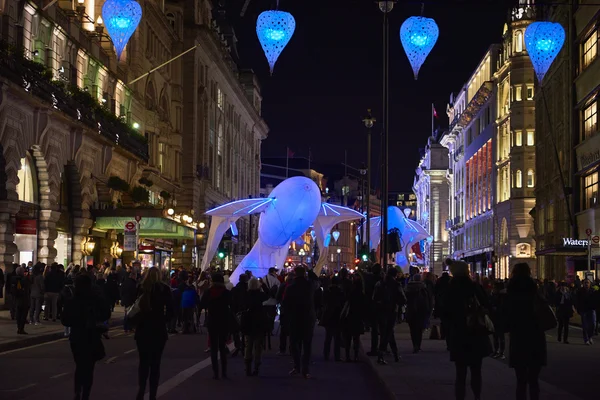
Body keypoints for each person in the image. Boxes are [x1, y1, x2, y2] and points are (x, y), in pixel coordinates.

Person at [443, 261, 492, 400]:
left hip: (459, 333)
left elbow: (445, 311)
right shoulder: (474, 287)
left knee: (460, 373)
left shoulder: (451, 288)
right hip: (476, 332)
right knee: (476, 371)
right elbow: (486, 304)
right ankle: (477, 396)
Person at [61, 273, 111, 400]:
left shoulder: (73, 300)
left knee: (79, 365)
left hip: (77, 337)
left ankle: (77, 391)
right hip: (91, 336)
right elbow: (106, 314)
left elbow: (65, 320)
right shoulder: (95, 299)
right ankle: (85, 395)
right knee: (89, 368)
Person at [505, 263, 547, 400]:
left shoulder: (511, 289)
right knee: (534, 379)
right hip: (535, 334)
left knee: (521, 379)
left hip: (519, 335)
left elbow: (506, 315)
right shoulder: (534, 288)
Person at [134, 267, 174, 400]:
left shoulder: (141, 288)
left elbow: (135, 307)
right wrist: (164, 320)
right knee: (155, 364)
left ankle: (141, 389)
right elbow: (171, 311)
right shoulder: (164, 289)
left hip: (143, 329)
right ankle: (152, 394)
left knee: (143, 362)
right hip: (158, 329)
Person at [283, 266, 318, 378]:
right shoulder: (310, 286)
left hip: (294, 318)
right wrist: (310, 271)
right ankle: (305, 369)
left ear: (294, 273)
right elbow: (316, 280)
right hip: (308, 318)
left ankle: (297, 366)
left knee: (294, 343)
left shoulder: (290, 287)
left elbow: (285, 304)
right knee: (307, 344)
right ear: (304, 273)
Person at [201, 272, 233, 379]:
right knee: (222, 347)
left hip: (212, 320)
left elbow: (202, 304)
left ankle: (215, 373)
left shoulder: (208, 292)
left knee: (214, 348)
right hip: (224, 321)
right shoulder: (226, 293)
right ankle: (224, 372)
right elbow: (233, 305)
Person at [373, 267, 406, 364]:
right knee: (387, 333)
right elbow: (403, 299)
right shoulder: (396, 284)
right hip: (391, 310)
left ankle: (394, 354)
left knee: (387, 332)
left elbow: (374, 297)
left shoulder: (380, 283)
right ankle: (382, 354)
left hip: (380, 311)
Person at [241, 278, 269, 376]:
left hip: (248, 322)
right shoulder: (260, 295)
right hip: (259, 322)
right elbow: (268, 295)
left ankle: (247, 366)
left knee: (248, 345)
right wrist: (263, 285)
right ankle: (256, 367)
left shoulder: (246, 294)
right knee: (258, 346)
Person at [320, 276, 345, 361]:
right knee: (337, 337)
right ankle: (337, 356)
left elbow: (323, 302)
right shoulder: (340, 292)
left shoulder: (327, 292)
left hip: (328, 315)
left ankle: (326, 355)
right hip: (337, 315)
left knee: (328, 337)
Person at [342, 274, 366, 362]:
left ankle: (347, 356)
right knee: (356, 338)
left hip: (349, 317)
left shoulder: (350, 293)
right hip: (358, 317)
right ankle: (356, 355)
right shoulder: (362, 295)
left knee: (348, 338)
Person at [405, 274, 431, 353]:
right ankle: (418, 345)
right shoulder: (423, 287)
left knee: (412, 329)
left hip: (410, 310)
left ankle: (414, 345)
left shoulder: (408, 287)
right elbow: (427, 300)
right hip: (421, 310)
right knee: (419, 329)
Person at [11, 265, 31, 334]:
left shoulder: (13, 279)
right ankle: (21, 328)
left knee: (18, 314)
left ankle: (18, 327)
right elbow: (28, 288)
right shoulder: (24, 279)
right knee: (23, 315)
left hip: (16, 299)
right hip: (24, 299)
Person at [576, 279, 597, 345]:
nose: (586, 284)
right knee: (585, 325)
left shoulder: (593, 291)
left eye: (587, 283)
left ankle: (590, 336)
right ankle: (586, 339)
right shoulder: (580, 291)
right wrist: (578, 309)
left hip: (591, 309)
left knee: (593, 324)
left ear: (590, 284)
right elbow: (577, 301)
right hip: (583, 310)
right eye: (585, 283)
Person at [489, 281, 507, 358]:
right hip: (495, 318)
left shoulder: (502, 296)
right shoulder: (494, 295)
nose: (493, 289)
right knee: (495, 336)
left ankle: (501, 352)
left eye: (495, 287)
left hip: (500, 318)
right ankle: (496, 350)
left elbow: (502, 307)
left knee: (500, 336)